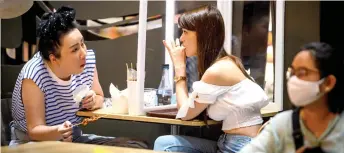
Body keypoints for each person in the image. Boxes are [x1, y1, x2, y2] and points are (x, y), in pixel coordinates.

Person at [9, 6, 147, 149]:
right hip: (32, 144)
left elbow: (100, 96)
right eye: (75, 49)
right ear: (54, 58)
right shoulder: (34, 74)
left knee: (134, 147)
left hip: (73, 139)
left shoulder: (86, 61)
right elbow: (35, 131)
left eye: (82, 44)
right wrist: (58, 132)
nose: (83, 53)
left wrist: (93, 101)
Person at [153, 5, 269, 153]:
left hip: (239, 146)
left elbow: (184, 113)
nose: (181, 39)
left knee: (165, 144)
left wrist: (179, 67)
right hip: (231, 142)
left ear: (202, 35)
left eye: (185, 32)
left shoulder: (217, 71)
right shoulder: (228, 62)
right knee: (165, 143)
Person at [239, 42, 344, 153]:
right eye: (292, 73)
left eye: (302, 73)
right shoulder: (282, 125)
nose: (294, 80)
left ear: (328, 82)